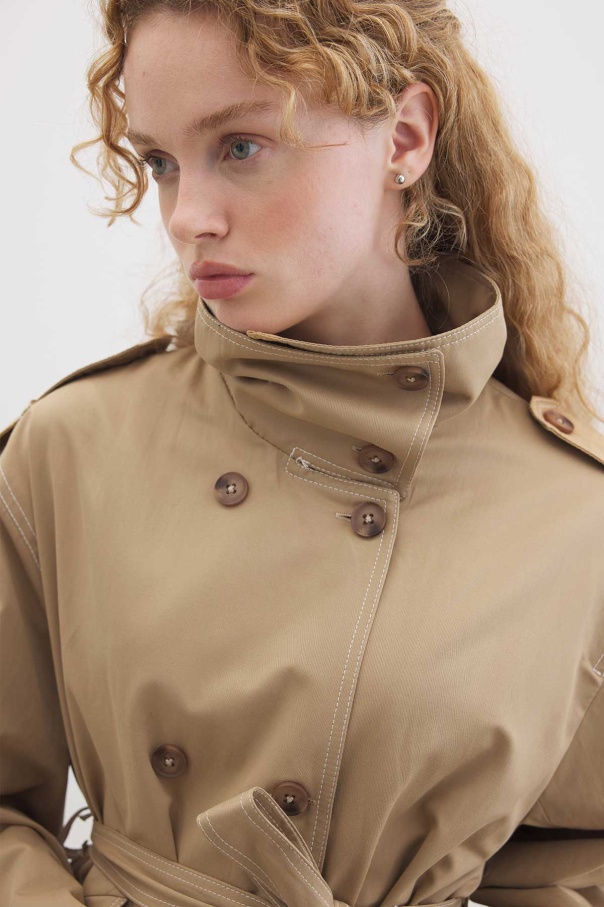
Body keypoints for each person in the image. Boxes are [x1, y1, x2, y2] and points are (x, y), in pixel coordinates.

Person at [1, 1, 602, 905]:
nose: (187, 217)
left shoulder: (572, 513)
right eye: (160, 162)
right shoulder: (72, 448)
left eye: (240, 146)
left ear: (405, 138)